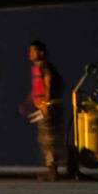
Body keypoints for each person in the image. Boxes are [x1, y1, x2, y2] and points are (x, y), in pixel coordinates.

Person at [27, 40, 65, 180]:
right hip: (44, 106)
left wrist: (46, 104)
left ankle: (53, 172)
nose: (30, 54)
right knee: (45, 140)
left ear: (41, 53)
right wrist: (28, 102)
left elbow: (48, 84)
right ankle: (52, 169)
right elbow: (37, 88)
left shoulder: (45, 67)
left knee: (49, 140)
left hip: (49, 107)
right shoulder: (38, 69)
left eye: (33, 51)